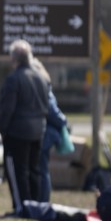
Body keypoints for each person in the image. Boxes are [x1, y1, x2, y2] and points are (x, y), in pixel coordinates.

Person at [0, 40, 49, 216]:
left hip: (18, 132)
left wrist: (3, 129)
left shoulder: (14, 79)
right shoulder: (41, 78)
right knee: (34, 170)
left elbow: (7, 109)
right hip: (38, 130)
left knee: (18, 171)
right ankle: (35, 206)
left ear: (14, 59)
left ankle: (22, 207)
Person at [31, 59, 68, 203]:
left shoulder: (43, 86)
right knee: (41, 168)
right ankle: (41, 200)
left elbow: (52, 111)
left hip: (46, 133)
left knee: (42, 169)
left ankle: (43, 201)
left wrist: (63, 121)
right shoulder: (43, 85)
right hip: (43, 132)